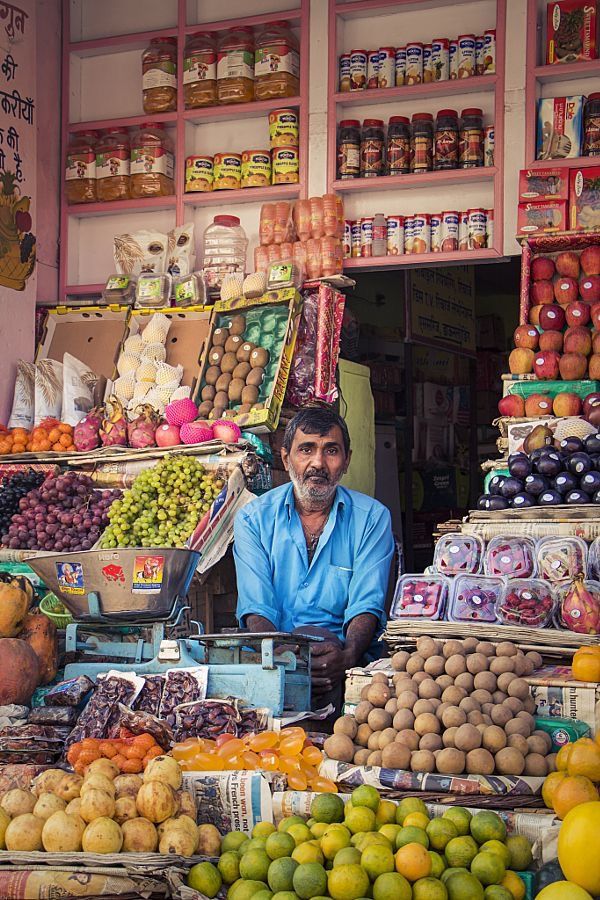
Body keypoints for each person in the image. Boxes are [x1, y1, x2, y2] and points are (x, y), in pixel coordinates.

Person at [233, 407, 395, 710]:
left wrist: (347, 657)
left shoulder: (372, 518)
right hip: (275, 659)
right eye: (306, 449)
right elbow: (256, 607)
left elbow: (367, 603)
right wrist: (285, 659)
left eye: (330, 451)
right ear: (286, 458)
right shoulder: (253, 519)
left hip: (343, 664)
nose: (317, 463)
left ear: (346, 460)